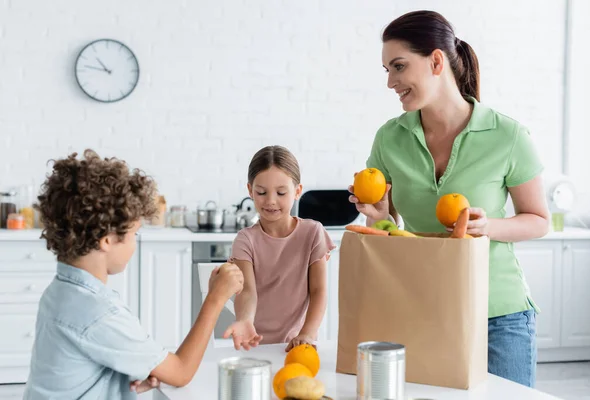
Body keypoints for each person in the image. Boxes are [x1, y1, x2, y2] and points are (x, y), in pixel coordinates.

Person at [349, 11, 550, 387]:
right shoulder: (389, 138)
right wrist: (376, 217)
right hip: (423, 307)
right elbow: (389, 231)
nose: (391, 81)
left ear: (436, 61)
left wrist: (486, 225)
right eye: (386, 70)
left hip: (498, 315)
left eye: (398, 66)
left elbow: (538, 220)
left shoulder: (507, 134)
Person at [24, 150, 244, 399]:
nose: (134, 244)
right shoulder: (99, 313)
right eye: (133, 234)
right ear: (107, 241)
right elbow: (181, 372)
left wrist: (121, 376)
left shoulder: (60, 291)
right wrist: (215, 298)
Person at [224, 145, 336, 352]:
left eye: (281, 192)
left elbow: (319, 291)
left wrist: (307, 334)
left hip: (298, 345)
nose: (271, 201)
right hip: (256, 345)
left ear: (297, 191)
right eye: (261, 192)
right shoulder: (245, 239)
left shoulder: (312, 232)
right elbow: (247, 291)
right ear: (250, 191)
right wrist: (244, 320)